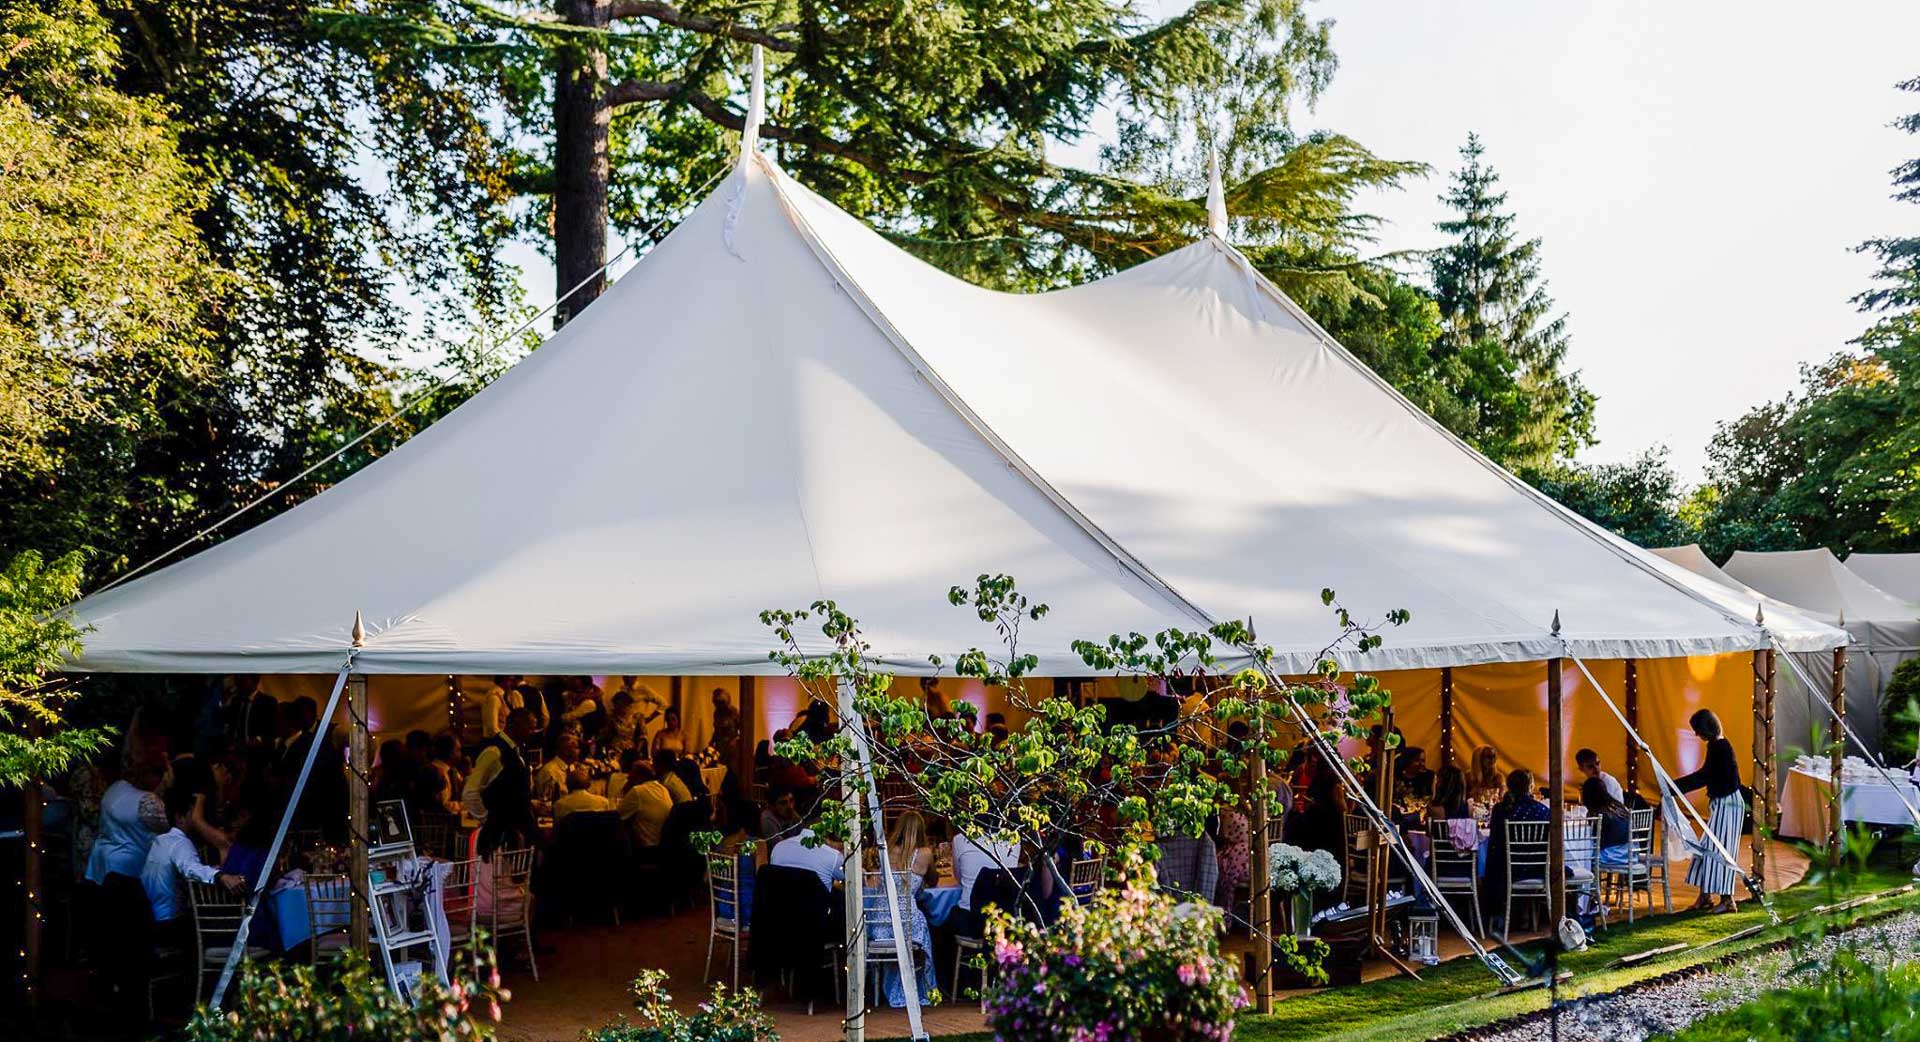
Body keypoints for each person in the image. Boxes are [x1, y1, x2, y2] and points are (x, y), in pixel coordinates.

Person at [140, 786, 245, 945]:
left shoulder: (161, 840)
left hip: (153, 916)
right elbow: (191, 869)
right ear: (180, 817)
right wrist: (220, 876)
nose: (197, 818)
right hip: (171, 922)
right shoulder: (179, 842)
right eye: (192, 813)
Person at [1674, 709, 1743, 913]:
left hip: (1728, 804)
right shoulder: (1717, 746)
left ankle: (1727, 899)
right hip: (1722, 802)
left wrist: (1674, 787)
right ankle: (1704, 896)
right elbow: (1706, 774)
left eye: (1698, 730)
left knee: (1720, 851)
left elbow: (1705, 775)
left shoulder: (1720, 747)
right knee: (1705, 849)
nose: (1696, 734)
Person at [464, 708, 539, 855]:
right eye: (530, 727)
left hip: (518, 833)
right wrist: (488, 821)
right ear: (514, 725)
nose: (533, 731)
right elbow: (470, 792)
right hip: (500, 838)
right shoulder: (494, 751)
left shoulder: (519, 750)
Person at [85, 752, 166, 886]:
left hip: (101, 859)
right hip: (127, 867)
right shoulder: (148, 801)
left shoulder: (115, 787)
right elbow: (165, 829)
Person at [1484, 768, 1551, 921]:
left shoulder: (1501, 809)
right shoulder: (1543, 811)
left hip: (1506, 868)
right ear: (1531, 786)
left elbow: (1495, 842)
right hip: (1537, 867)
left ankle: (1501, 914)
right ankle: (1530, 913)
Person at [952, 830, 1020, 915]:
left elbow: (959, 878)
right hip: (1006, 913)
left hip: (970, 913)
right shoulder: (1014, 840)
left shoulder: (960, 839)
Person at [770, 818, 845, 891]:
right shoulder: (834, 856)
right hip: (816, 902)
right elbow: (852, 881)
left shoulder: (778, 847)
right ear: (827, 838)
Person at [1581, 775, 1634, 870]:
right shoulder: (1619, 806)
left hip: (1615, 855)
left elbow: (1597, 840)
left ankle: (1589, 883)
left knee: (1584, 857)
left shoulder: (1600, 813)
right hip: (1632, 853)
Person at [617, 762, 674, 847]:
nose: (628, 777)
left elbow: (617, 815)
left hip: (646, 847)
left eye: (631, 775)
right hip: (662, 844)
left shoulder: (638, 791)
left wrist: (626, 790)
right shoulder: (662, 788)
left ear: (639, 777)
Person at [534, 731, 581, 804]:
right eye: (576, 748)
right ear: (566, 751)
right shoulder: (550, 772)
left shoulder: (571, 766)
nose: (579, 751)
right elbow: (546, 801)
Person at [709, 689, 742, 758]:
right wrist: (711, 742)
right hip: (720, 746)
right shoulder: (717, 713)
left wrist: (735, 740)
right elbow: (716, 730)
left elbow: (743, 731)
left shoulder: (734, 712)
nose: (718, 706)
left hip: (732, 748)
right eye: (716, 703)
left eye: (720, 703)